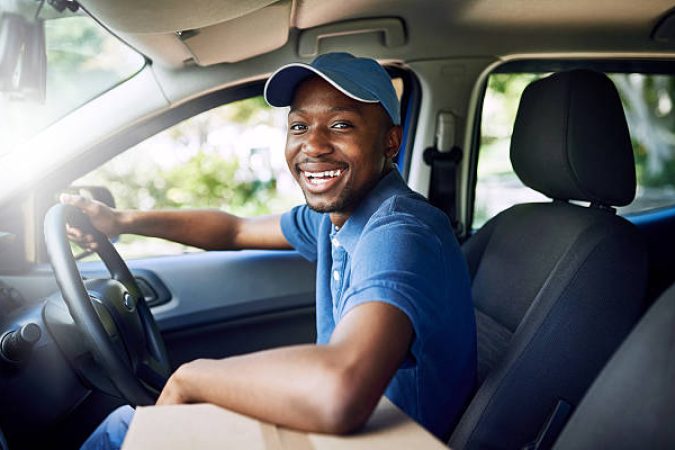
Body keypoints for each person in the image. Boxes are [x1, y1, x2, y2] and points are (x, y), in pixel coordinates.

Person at [66, 52, 476, 449]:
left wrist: (192, 378)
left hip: (388, 438)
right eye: (299, 127)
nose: (313, 145)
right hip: (348, 432)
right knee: (126, 427)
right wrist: (121, 222)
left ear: (390, 142)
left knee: (122, 432)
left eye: (340, 125)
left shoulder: (400, 232)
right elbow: (234, 229)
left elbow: (340, 391)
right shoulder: (337, 216)